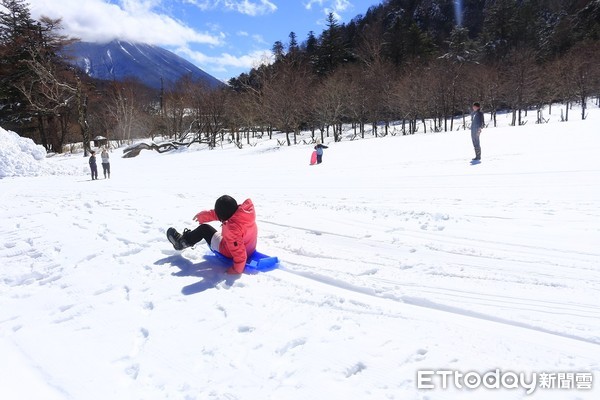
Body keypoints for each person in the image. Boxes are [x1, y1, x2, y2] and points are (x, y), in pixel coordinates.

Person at [167, 195, 257, 275]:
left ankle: (181, 243)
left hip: (229, 251)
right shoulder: (244, 214)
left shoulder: (232, 229)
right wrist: (204, 216)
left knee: (204, 229)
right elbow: (223, 213)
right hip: (249, 247)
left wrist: (237, 269)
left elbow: (239, 253)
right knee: (211, 228)